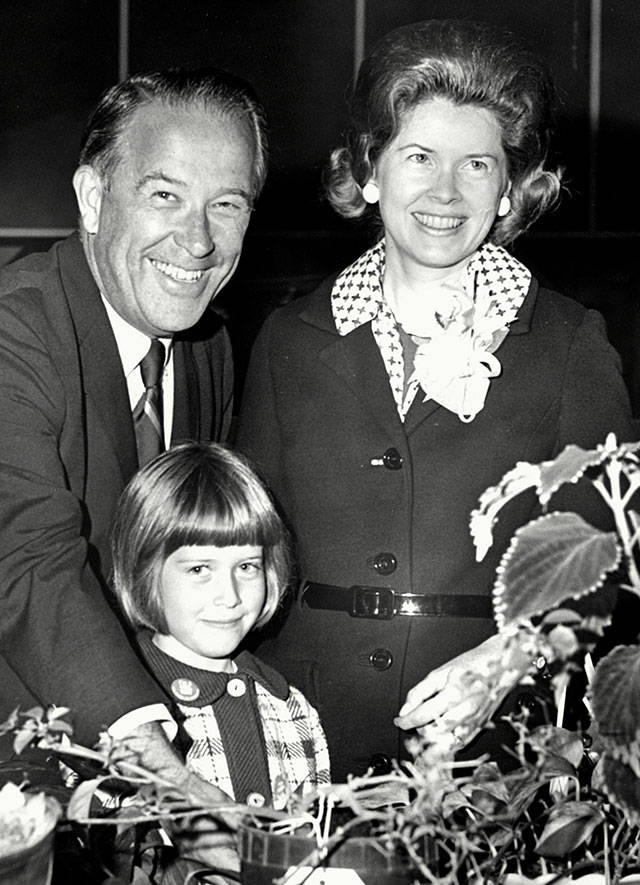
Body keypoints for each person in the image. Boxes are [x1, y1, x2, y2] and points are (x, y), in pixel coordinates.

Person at [236, 19, 636, 781]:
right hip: (308, 738)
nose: (446, 191)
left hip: (495, 750)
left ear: (511, 190)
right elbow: (248, 551)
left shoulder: (569, 342)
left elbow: (605, 559)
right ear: (369, 170)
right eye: (419, 156)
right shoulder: (289, 339)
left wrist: (506, 663)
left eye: (477, 164)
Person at [0, 67, 267, 806]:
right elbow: (27, 565)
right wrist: (171, 782)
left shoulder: (207, 345)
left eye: (228, 204)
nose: (198, 240)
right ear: (92, 198)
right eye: (164, 196)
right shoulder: (14, 333)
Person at [111, 441, 330, 812]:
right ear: (143, 573)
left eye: (247, 567)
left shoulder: (292, 708)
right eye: (199, 569)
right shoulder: (121, 712)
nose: (229, 596)